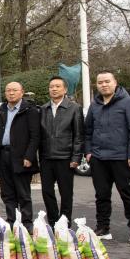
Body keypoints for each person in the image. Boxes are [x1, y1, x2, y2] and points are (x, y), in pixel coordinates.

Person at [84, 72, 130, 244]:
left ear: (115, 82)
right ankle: (103, 228)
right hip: (98, 158)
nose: (104, 85)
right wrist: (89, 152)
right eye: (100, 82)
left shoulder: (128, 102)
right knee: (101, 195)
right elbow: (87, 131)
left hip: (121, 158)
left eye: (107, 81)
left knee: (128, 195)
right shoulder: (95, 105)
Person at [0, 81, 41, 232]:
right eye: (8, 90)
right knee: (7, 193)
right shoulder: (2, 110)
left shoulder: (29, 110)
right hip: (3, 155)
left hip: (21, 157)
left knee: (23, 192)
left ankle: (27, 222)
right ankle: (12, 221)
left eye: (14, 90)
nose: (11, 93)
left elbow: (35, 136)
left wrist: (29, 156)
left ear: (22, 92)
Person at [40, 76, 84, 226]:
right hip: (46, 157)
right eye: (51, 86)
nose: (54, 89)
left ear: (65, 90)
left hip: (65, 157)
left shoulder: (74, 108)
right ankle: (53, 222)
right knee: (47, 191)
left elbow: (79, 135)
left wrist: (76, 157)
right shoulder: (43, 109)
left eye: (58, 86)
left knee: (66, 193)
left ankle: (65, 223)